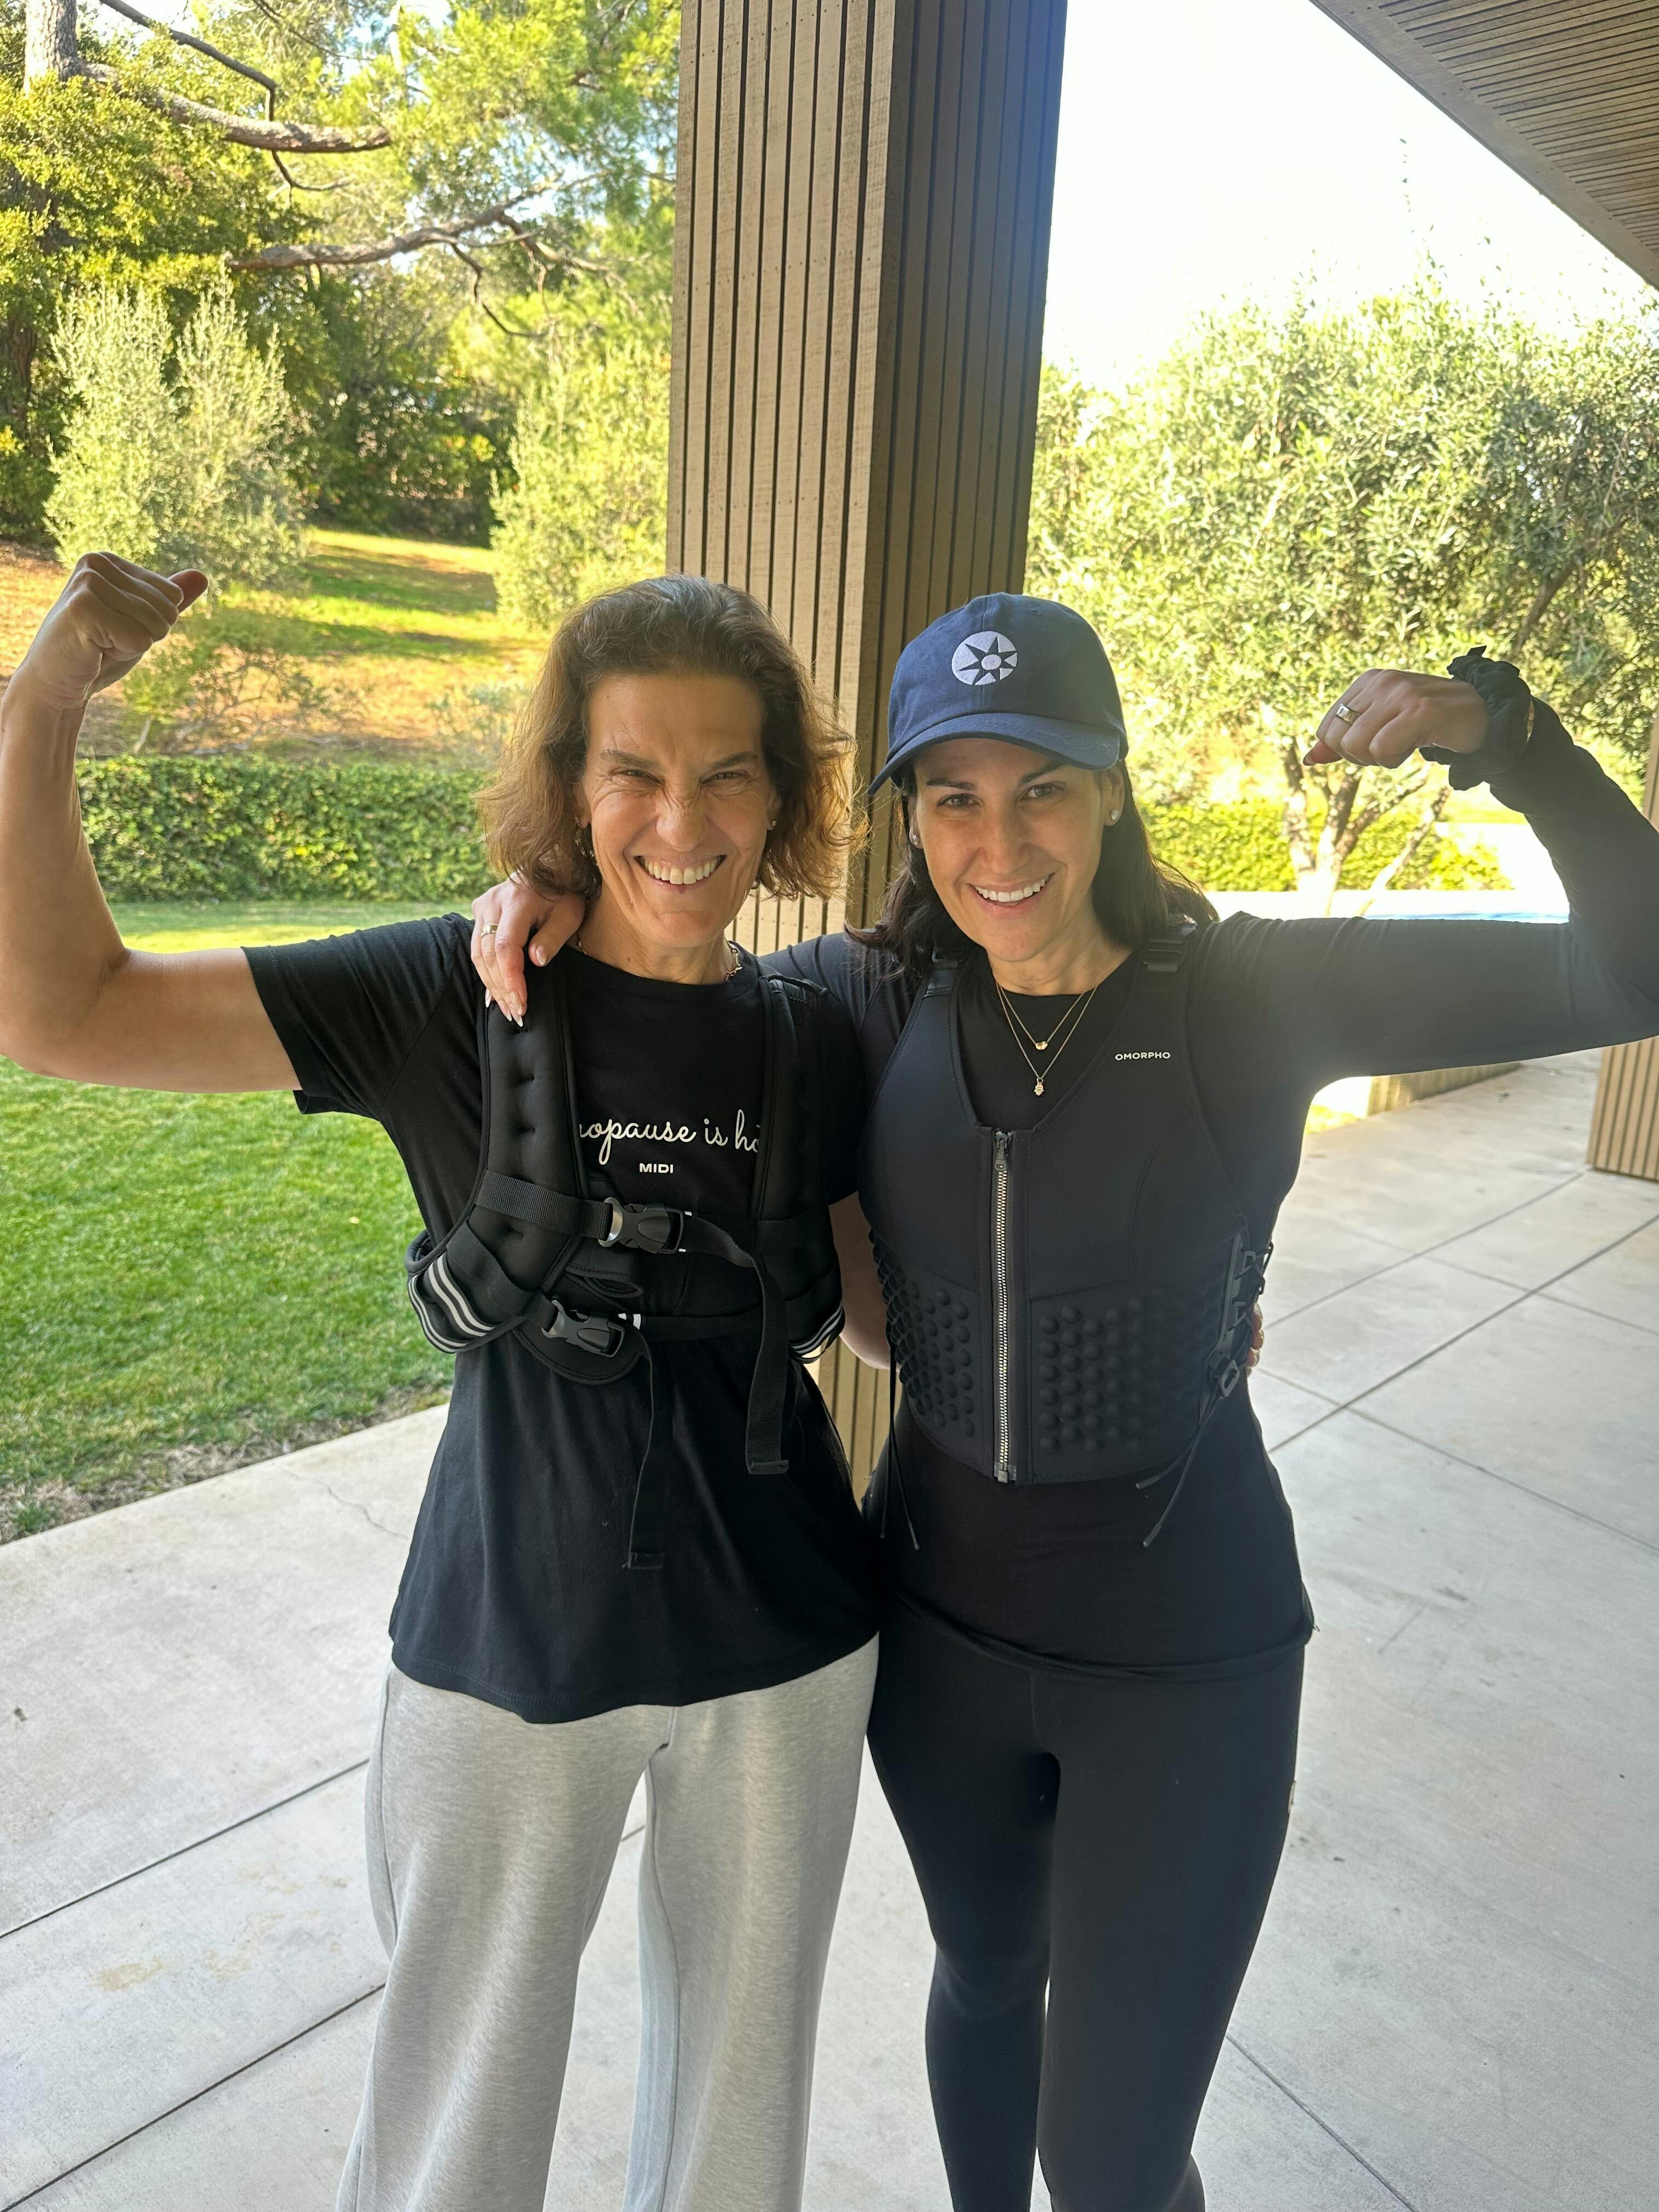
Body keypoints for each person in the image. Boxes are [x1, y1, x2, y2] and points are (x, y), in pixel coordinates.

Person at [472, 590, 1659, 2212]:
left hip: (1191, 1653)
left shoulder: (1253, 996)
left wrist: (1507, 745)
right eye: (952, 793)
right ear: (909, 816)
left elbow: (1636, 965)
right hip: (943, 1636)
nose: (999, 838)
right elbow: (662, 979)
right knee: (979, 1981)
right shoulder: (860, 998)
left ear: (1110, 788)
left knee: (1109, 2159)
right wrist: (544, 891)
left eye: (1041, 783)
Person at [0, 554, 883, 2212]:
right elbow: (64, 1011)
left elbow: (871, 1297)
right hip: (508, 1649)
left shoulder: (820, 1032)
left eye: (727, 772)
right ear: (569, 784)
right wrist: (44, 708)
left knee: (736, 2146)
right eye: (633, 769)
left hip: (786, 1649)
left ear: (785, 798)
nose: (680, 820)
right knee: (452, 2145)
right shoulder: (452, 994)